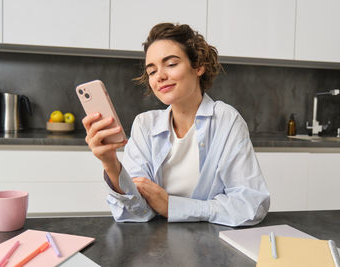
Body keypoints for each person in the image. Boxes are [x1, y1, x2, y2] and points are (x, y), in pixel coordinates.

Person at [82, 23, 270, 227]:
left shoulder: (226, 120)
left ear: (198, 66)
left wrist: (172, 206)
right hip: (156, 247)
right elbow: (136, 213)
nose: (160, 76)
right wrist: (110, 163)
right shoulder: (145, 125)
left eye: (171, 64)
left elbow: (251, 206)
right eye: (152, 71)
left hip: (212, 246)